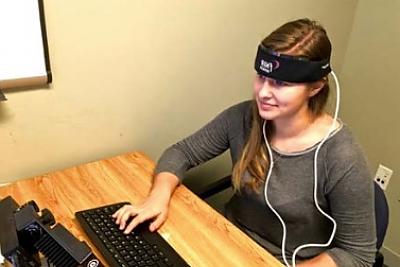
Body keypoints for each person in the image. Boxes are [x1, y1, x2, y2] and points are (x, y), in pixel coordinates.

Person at [113, 18, 376, 267]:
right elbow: (182, 152)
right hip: (224, 243)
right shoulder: (243, 117)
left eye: (280, 83)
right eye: (261, 77)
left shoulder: (342, 156)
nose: (263, 92)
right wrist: (157, 198)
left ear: (315, 88)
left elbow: (357, 254)